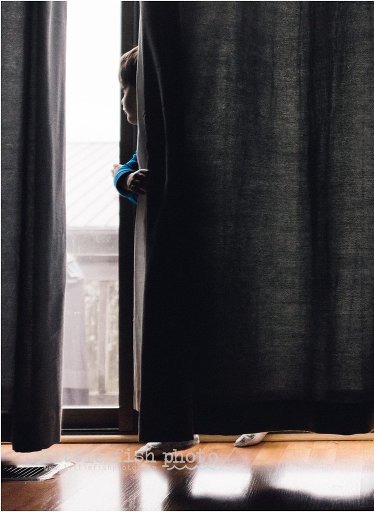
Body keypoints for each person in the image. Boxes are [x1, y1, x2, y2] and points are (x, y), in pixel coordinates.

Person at [113, 46, 266, 455]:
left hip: (207, 252)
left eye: (123, 89)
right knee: (185, 339)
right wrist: (127, 181)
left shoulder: (182, 130)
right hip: (180, 253)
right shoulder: (151, 141)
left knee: (229, 335)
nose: (121, 100)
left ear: (143, 89)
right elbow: (125, 168)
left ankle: (260, 414)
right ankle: (180, 426)